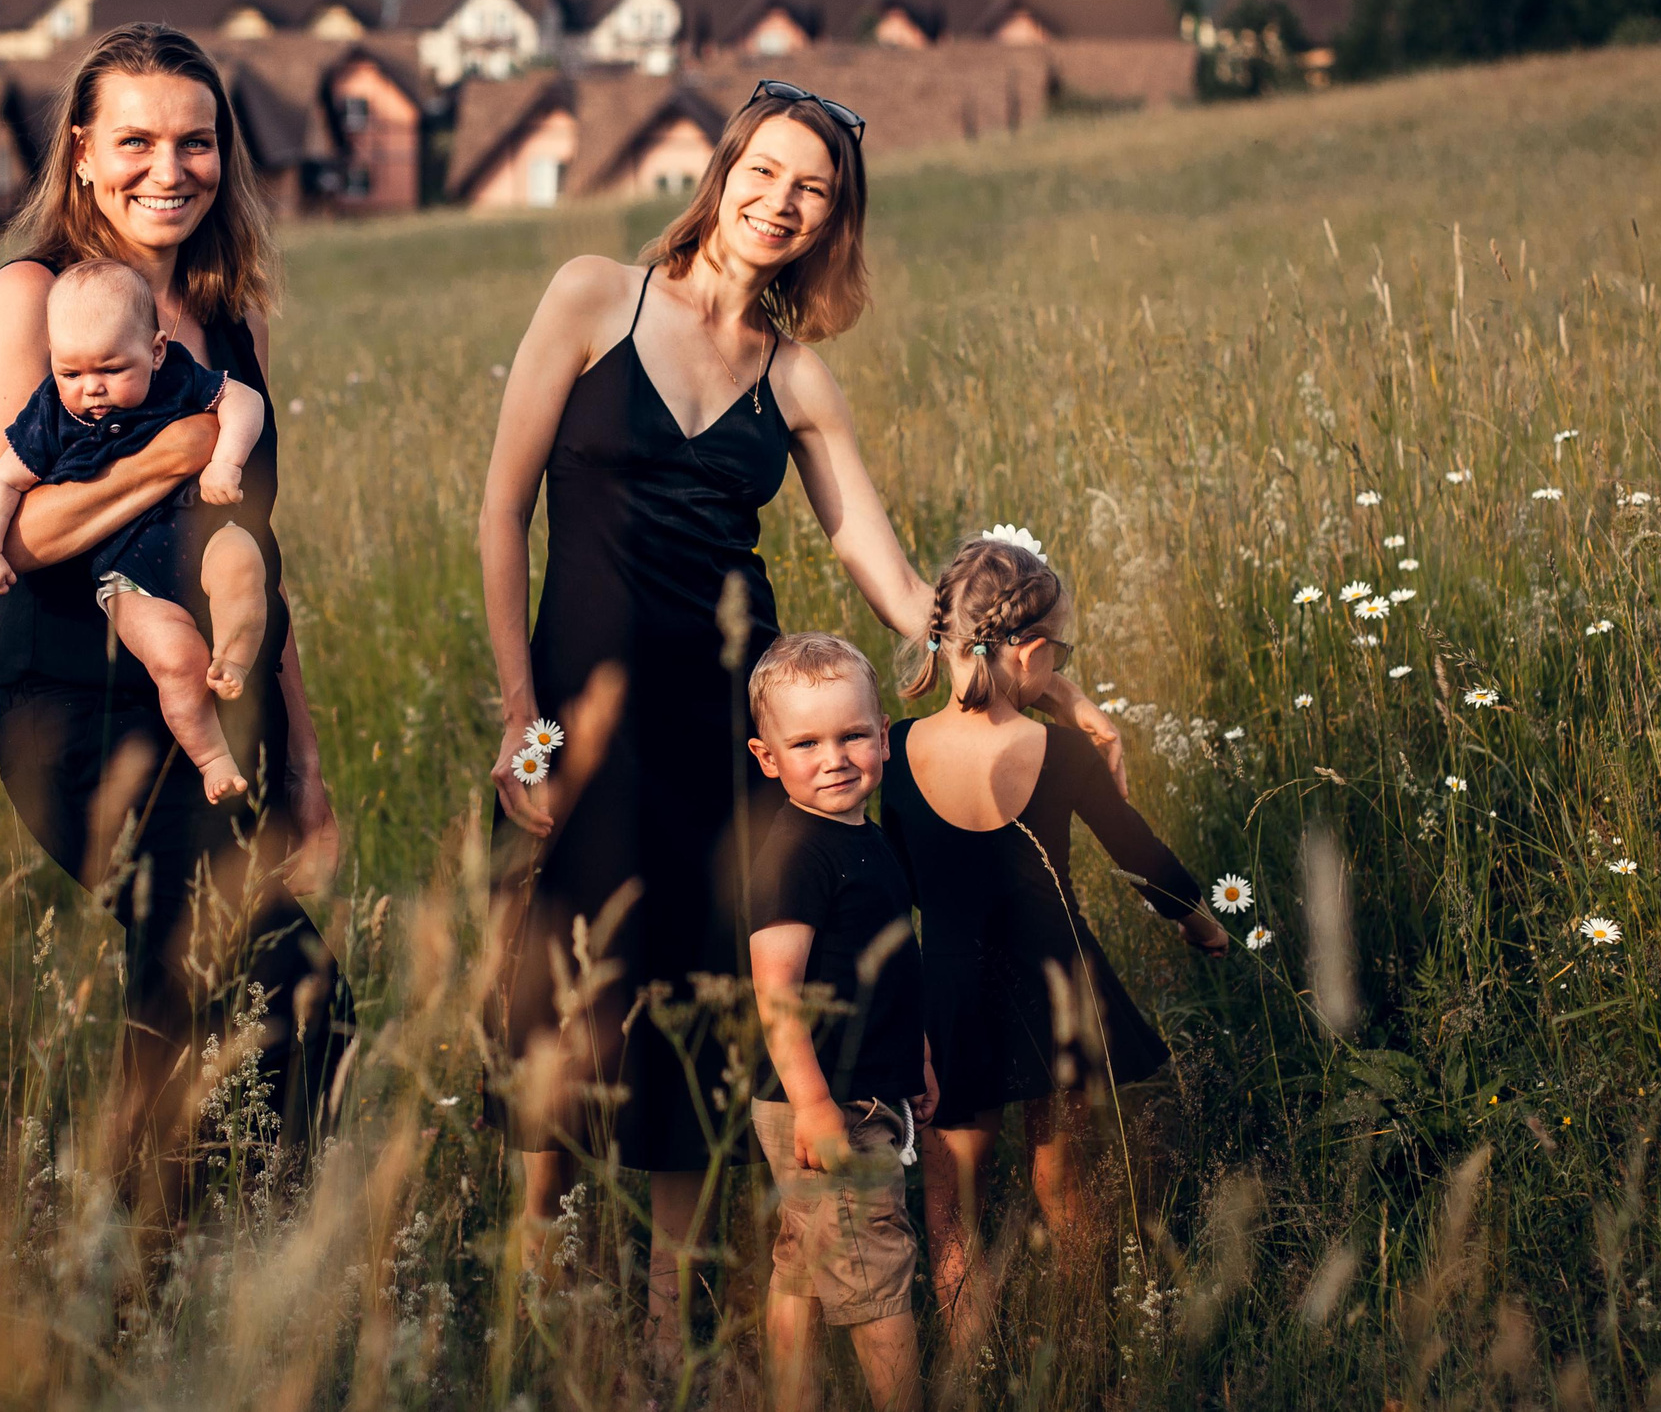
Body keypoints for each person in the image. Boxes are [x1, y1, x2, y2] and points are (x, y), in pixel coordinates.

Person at [477, 80, 1125, 1342]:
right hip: (576, 722)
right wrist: (521, 719)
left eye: (812, 191)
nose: (780, 203)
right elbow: (503, 511)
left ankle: (670, 1313)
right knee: (555, 994)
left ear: (834, 222)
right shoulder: (590, 295)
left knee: (698, 1009)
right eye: (764, 173)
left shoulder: (796, 374)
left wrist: (1038, 675)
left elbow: (891, 581)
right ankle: (534, 1281)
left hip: (731, 735)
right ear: (721, 174)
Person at [0, 23, 345, 1232]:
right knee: (239, 977)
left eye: (195, 141)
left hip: (226, 715)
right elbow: (13, 536)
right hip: (84, 711)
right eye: (133, 140)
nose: (166, 168)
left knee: (284, 1007)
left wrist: (309, 764)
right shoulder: (30, 302)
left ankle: (226, 1274)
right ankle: (137, 1283)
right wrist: (174, 452)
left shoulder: (231, 320)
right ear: (81, 154)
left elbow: (259, 556)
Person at [879, 532, 1230, 1358]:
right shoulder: (1060, 750)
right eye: (1061, 652)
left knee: (952, 1206)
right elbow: (1139, 854)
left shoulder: (893, 753)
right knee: (1064, 1184)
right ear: (1033, 652)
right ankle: (1083, 1346)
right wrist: (1200, 921)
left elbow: (895, 898)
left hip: (951, 995)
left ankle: (972, 1366)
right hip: (1057, 991)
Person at [0, 258, 269, 801]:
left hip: (201, 533)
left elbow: (246, 402)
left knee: (241, 562)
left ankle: (233, 657)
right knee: (173, 663)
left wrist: (225, 463)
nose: (91, 389)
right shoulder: (52, 416)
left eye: (111, 370)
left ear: (155, 351)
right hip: (127, 576)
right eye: (71, 373)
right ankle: (214, 759)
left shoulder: (176, 375)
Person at [742, 633, 934, 1412]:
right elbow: (777, 993)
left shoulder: (871, 837)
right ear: (766, 756)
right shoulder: (795, 854)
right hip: (825, 1101)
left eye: (853, 734)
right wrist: (817, 1105)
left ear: (884, 736)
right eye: (807, 742)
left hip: (858, 1085)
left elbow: (889, 966)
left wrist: (915, 1052)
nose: (836, 757)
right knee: (876, 1266)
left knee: (805, 1259)